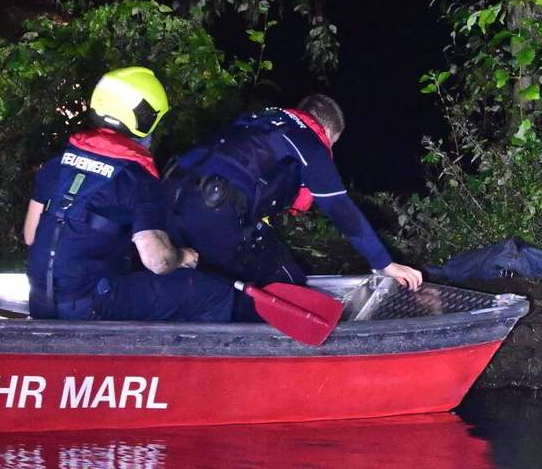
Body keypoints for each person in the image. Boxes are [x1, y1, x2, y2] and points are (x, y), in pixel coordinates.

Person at [22, 66, 252, 323]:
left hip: (41, 301)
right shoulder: (137, 179)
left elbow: (31, 236)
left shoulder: (57, 163)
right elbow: (157, 261)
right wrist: (182, 257)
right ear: (145, 119)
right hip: (90, 305)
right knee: (212, 293)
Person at [166, 93, 424, 292]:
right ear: (329, 133)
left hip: (169, 195)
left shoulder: (260, 121)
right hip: (215, 209)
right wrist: (384, 263)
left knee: (204, 282)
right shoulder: (308, 141)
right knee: (286, 283)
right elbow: (338, 207)